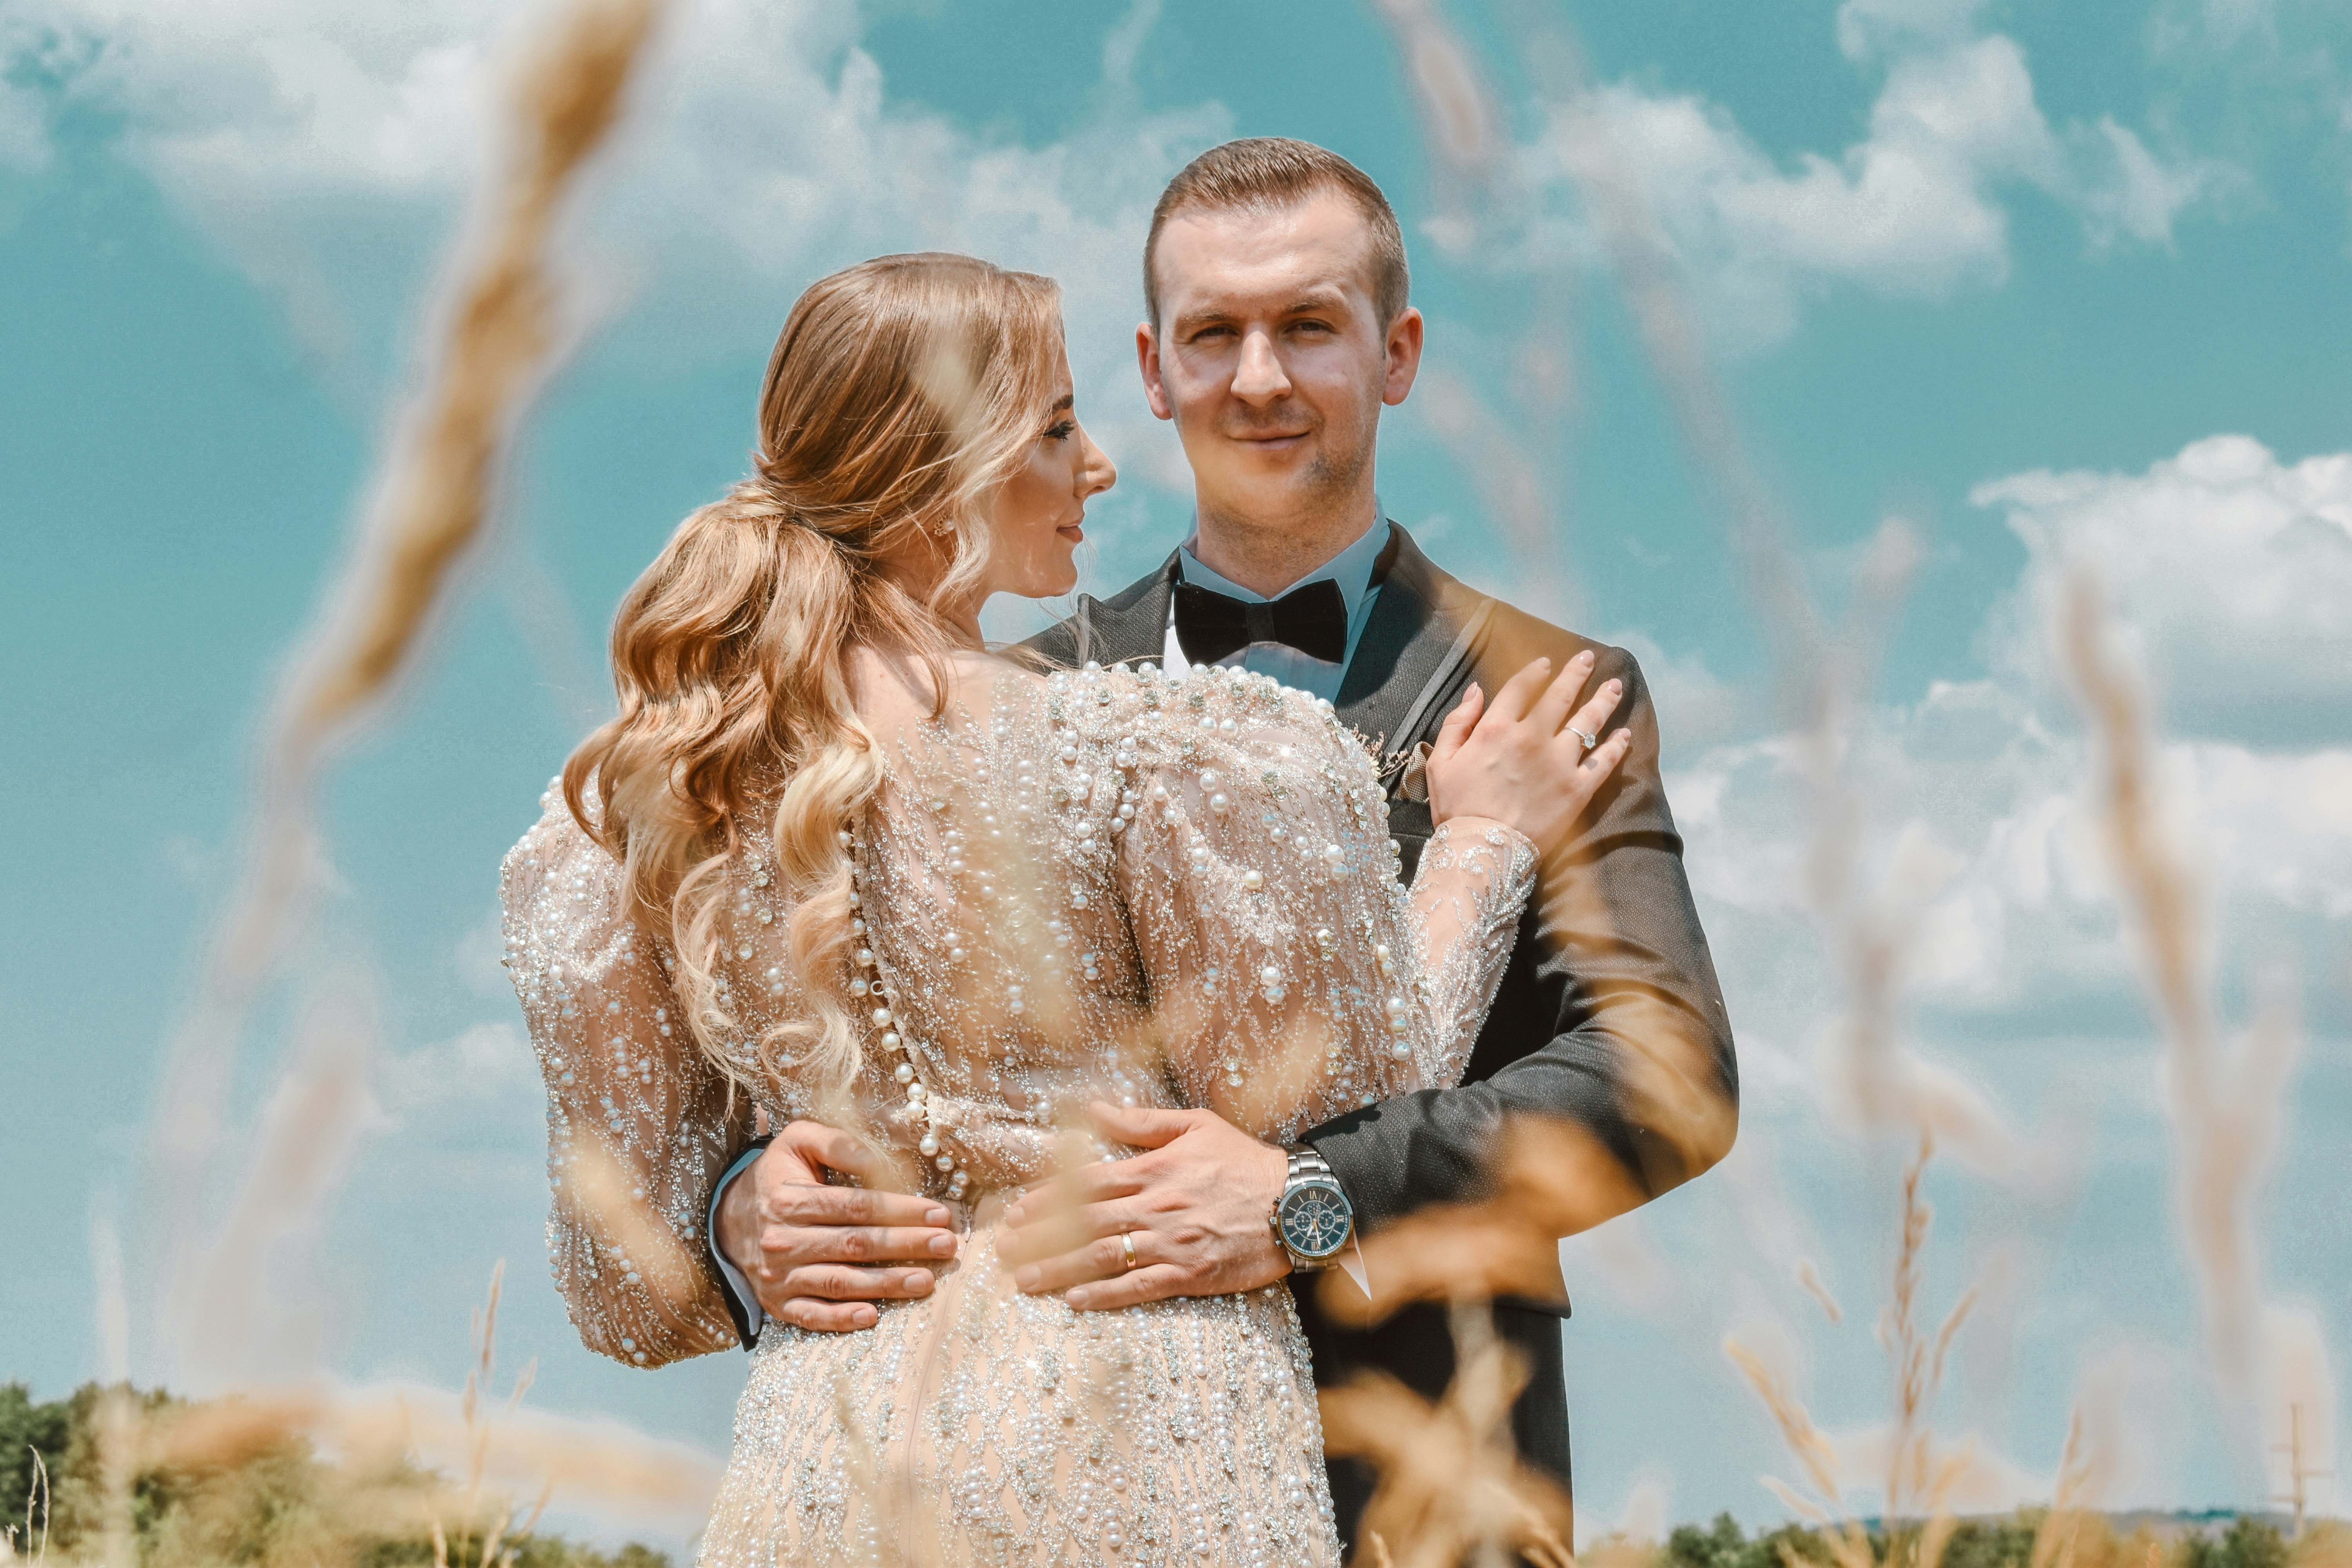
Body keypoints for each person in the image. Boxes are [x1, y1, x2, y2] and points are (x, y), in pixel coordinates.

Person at [503, 248, 1634, 1564]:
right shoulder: (1164, 759)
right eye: (1054, 426)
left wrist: (728, 1218)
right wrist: (1484, 845)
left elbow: (619, 1289)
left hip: (832, 1474)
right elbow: (1363, 1104)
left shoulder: (648, 810)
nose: (1099, 465)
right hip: (1150, 1440)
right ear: (939, 475)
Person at [708, 139, 1741, 1546]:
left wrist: (1314, 1199)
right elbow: (843, 1040)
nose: (1258, 378)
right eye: (1214, 334)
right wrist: (740, 1204)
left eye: (1309, 325)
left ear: (1398, 352)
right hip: (1070, 1474)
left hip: (1443, 1450)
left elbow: (1665, 1074)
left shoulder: (1554, 687)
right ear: (1151, 367)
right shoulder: (1000, 693)